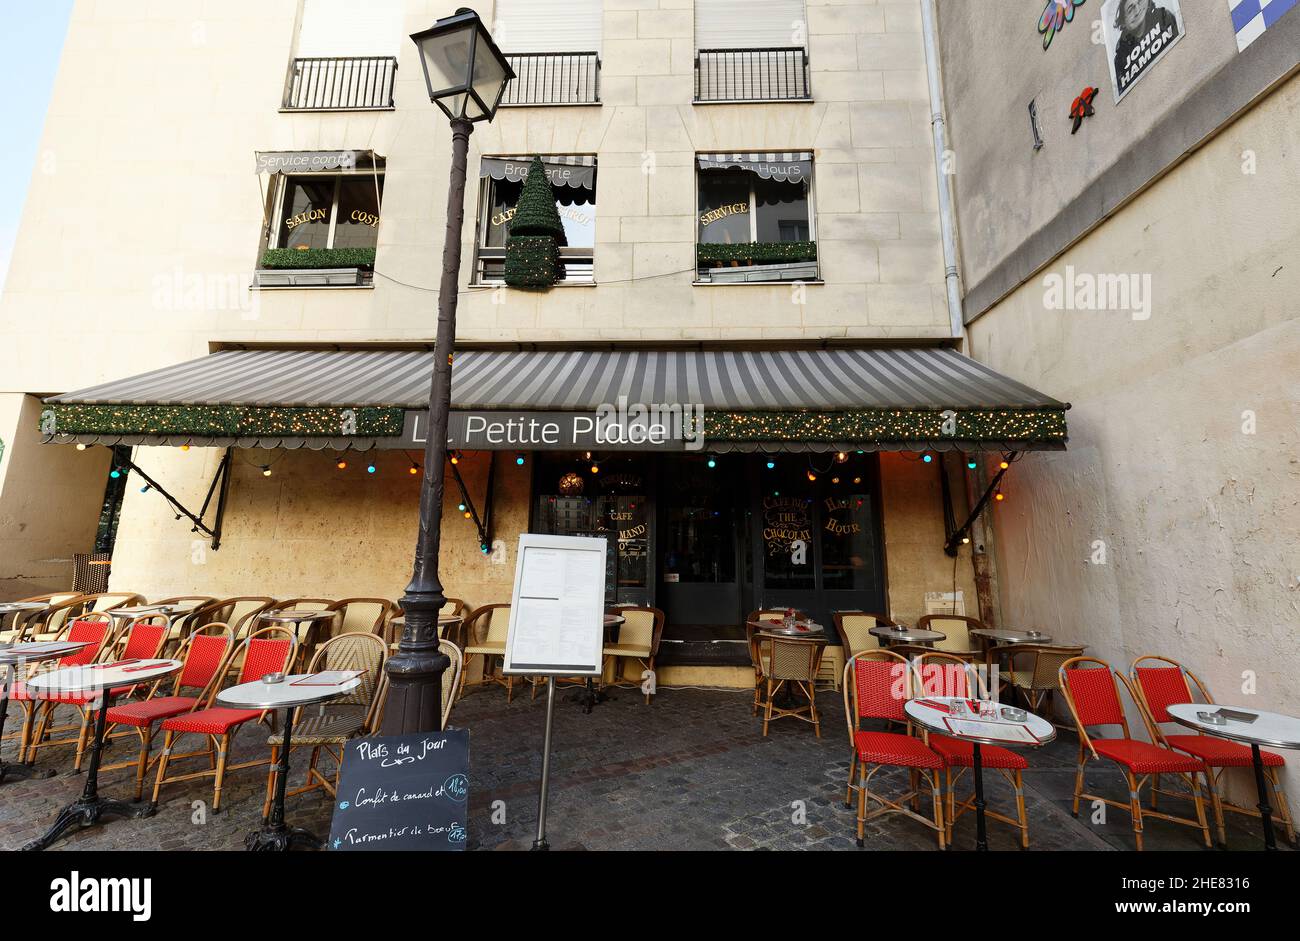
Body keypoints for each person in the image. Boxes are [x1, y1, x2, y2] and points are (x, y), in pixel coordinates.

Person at [1112, 0, 1181, 95]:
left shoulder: (1163, 17)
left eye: (1139, 2)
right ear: (1123, 21)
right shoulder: (1121, 57)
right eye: (1130, 9)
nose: (1137, 10)